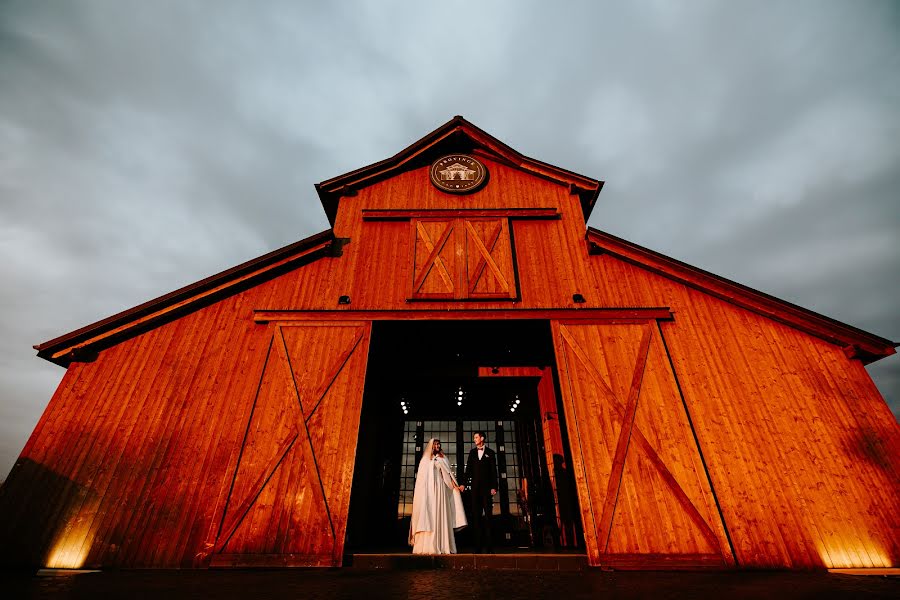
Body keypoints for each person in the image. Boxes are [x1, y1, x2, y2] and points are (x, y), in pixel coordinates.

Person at [409, 438, 467, 554]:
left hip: (441, 489)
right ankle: (427, 546)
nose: (437, 445)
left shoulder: (443, 458)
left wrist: (455, 486)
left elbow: (449, 474)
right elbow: (421, 480)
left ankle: (443, 545)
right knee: (429, 515)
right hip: (429, 492)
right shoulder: (425, 460)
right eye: (435, 444)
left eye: (438, 444)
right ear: (431, 446)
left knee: (440, 513)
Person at [459, 430, 498, 553]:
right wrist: (464, 484)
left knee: (488, 517)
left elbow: (493, 471)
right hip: (475, 491)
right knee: (476, 518)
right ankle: (478, 547)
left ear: (482, 438)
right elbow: (468, 470)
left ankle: (490, 547)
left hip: (487, 490)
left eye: (476, 437)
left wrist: (494, 487)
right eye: (474, 437)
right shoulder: (471, 453)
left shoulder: (491, 453)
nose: (474, 439)